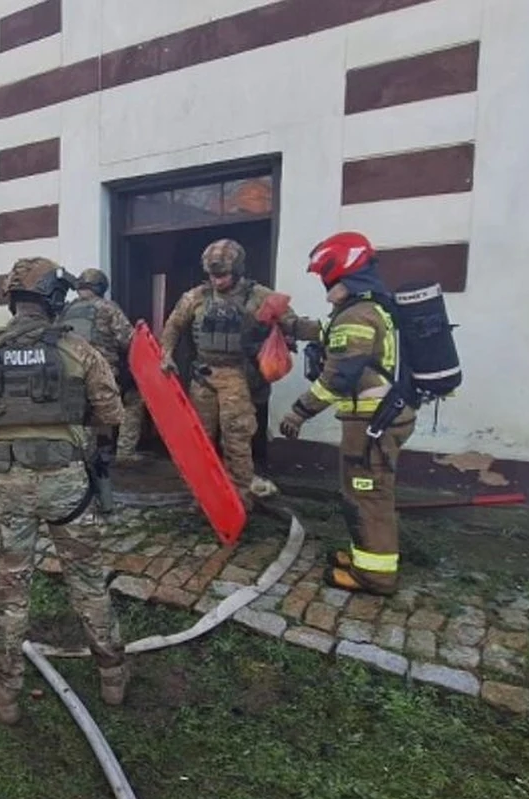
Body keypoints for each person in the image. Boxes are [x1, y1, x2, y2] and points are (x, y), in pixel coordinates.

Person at [0, 257, 129, 725]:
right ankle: (113, 676)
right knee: (88, 579)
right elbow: (112, 414)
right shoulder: (80, 351)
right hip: (69, 483)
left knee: (9, 589)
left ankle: (3, 693)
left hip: (9, 486)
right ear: (54, 300)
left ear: (13, 299)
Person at [278, 232, 416, 596]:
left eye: (327, 280)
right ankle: (364, 558)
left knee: (367, 495)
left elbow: (337, 378)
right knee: (364, 492)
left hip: (373, 424)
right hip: (379, 421)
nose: (325, 288)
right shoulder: (366, 308)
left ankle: (375, 576)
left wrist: (297, 413)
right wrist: (291, 324)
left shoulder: (357, 315)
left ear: (344, 276)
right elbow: (327, 331)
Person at [159, 238, 319, 507]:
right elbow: (174, 325)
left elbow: (291, 324)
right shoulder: (196, 296)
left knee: (236, 436)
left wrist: (323, 331)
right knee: (199, 437)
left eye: (222, 275)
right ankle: (201, 492)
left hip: (237, 375)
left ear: (238, 270)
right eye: (212, 275)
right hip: (203, 375)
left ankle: (241, 494)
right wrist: (166, 354)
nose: (217, 281)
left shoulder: (260, 296)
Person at [61, 268, 147, 464]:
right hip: (102, 373)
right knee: (133, 401)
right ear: (101, 287)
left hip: (70, 373)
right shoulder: (107, 308)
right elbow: (128, 340)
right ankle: (125, 453)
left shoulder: (66, 311)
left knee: (83, 412)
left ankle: (83, 456)